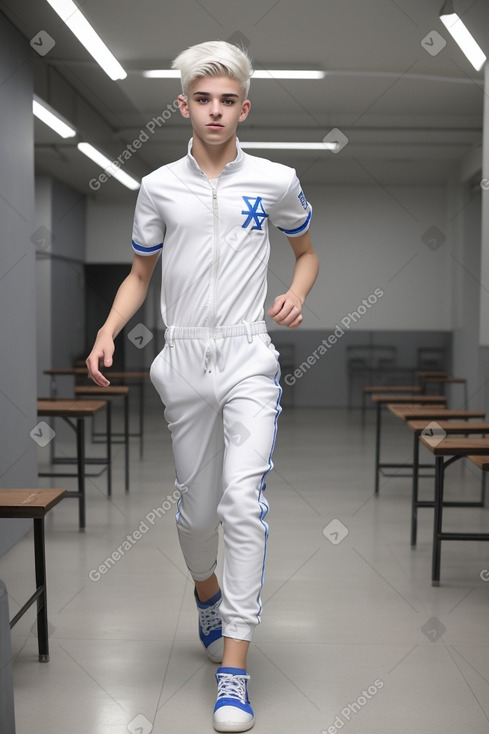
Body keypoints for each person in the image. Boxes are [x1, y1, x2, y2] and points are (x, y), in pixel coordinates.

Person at [86, 40, 319, 732]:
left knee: (242, 503)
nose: (214, 112)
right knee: (194, 515)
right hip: (181, 359)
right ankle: (206, 591)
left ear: (242, 108)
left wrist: (296, 294)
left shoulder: (275, 180)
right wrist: (107, 330)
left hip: (248, 354)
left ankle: (234, 671)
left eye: (227, 101)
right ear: (183, 105)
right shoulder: (157, 187)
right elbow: (138, 275)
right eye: (202, 100)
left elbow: (305, 254)